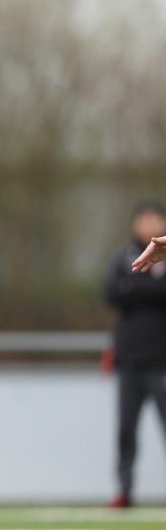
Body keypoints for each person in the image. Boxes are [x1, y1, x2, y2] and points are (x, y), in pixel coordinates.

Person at [104, 201, 166, 508]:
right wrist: (148, 287)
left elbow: (134, 291)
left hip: (162, 362)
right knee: (126, 431)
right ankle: (125, 490)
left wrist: (136, 288)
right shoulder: (122, 258)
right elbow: (112, 293)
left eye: (156, 219)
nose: (149, 225)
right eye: (143, 219)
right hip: (129, 361)